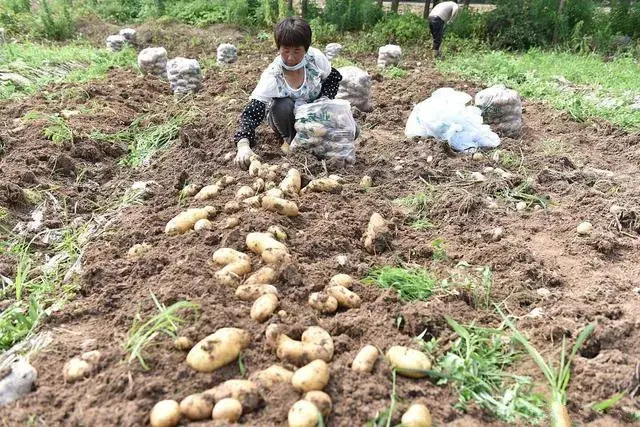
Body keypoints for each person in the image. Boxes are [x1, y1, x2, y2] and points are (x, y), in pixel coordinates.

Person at [233, 17, 343, 168]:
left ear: (306, 48)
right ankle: (290, 141)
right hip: (286, 119)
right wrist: (243, 145)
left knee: (351, 131)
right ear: (279, 48)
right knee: (281, 105)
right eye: (285, 51)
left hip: (314, 117)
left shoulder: (315, 59)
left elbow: (333, 79)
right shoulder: (273, 75)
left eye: (297, 51)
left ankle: (314, 141)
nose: (290, 58)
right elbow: (252, 112)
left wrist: (323, 101)